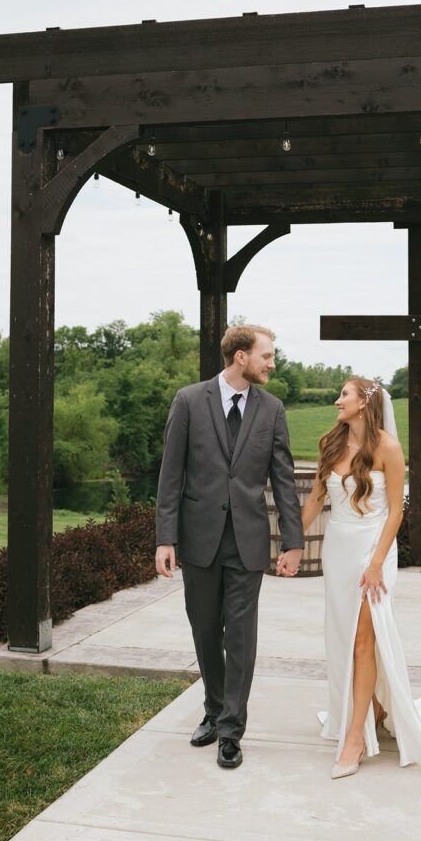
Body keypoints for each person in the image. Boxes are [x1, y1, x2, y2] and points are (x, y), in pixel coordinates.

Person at [155, 324, 304, 770]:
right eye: (267, 355)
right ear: (241, 357)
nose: (272, 363)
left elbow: (283, 479)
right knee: (204, 630)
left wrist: (292, 542)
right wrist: (166, 537)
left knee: (239, 634)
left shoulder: (272, 409)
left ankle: (231, 730)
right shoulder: (188, 401)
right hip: (198, 539)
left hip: (248, 542)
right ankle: (214, 707)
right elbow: (171, 474)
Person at [301, 378, 421, 779]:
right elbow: (316, 498)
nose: (337, 400)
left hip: (373, 551)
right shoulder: (330, 444)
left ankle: (356, 738)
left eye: (344, 395)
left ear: (364, 403)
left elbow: (396, 512)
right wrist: (290, 546)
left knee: (365, 640)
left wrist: (377, 562)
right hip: (338, 551)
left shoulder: (388, 447)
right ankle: (375, 709)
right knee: (344, 638)